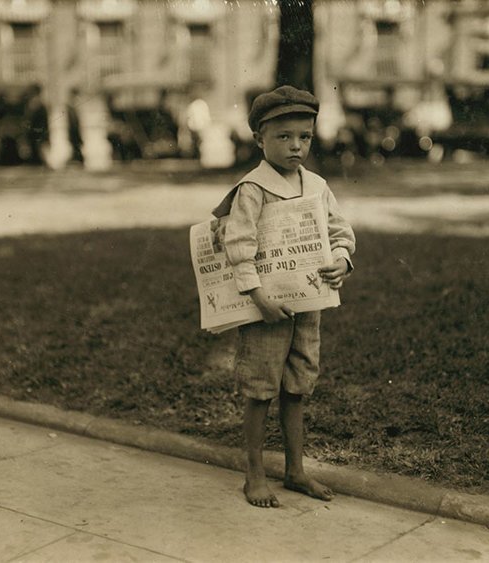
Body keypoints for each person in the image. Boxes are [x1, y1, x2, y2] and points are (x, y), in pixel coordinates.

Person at [212, 85, 356, 508]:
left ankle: (296, 471)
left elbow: (339, 231)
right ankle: (254, 474)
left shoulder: (316, 184)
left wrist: (342, 259)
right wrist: (258, 296)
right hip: (266, 310)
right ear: (259, 138)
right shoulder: (253, 188)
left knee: (297, 386)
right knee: (260, 389)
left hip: (307, 305)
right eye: (284, 137)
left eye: (305, 137)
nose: (296, 146)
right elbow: (238, 245)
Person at [66, 87, 84, 165]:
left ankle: (77, 159)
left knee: (76, 145)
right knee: (76, 145)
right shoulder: (71, 106)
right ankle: (78, 159)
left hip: (74, 130)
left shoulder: (72, 106)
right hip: (74, 130)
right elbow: (73, 121)